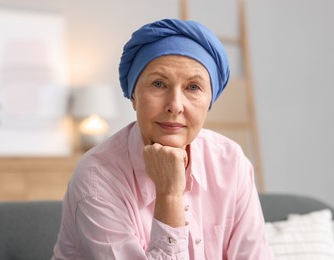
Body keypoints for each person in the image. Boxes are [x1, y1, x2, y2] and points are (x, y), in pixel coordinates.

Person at [52, 18, 273, 259]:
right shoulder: (97, 178)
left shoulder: (231, 161)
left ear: (210, 101)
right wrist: (169, 195)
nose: (175, 105)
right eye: (158, 84)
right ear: (133, 95)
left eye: (193, 87)